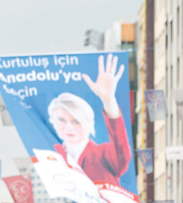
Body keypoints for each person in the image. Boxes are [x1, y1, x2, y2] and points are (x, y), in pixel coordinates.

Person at [48, 55, 130, 187]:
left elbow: (122, 151)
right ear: (52, 121)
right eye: (62, 120)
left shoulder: (103, 155)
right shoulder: (51, 156)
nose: (69, 128)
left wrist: (108, 100)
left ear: (88, 123)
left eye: (76, 121)